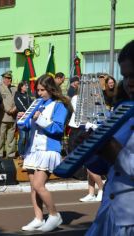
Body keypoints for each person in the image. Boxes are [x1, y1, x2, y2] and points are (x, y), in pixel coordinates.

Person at [85, 40, 134, 236]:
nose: (129, 82)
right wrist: (90, 149)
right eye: (126, 76)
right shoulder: (123, 112)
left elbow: (119, 158)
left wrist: (114, 153)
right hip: (111, 213)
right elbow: (103, 167)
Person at [20, 74, 71, 232]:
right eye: (38, 90)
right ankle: (38, 218)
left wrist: (40, 118)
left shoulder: (59, 105)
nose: (39, 93)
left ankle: (55, 215)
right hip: (33, 149)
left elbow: (58, 129)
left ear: (51, 89)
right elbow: (27, 127)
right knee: (33, 187)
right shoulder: (37, 103)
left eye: (42, 90)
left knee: (38, 184)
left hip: (48, 148)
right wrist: (22, 119)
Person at [67, 89, 103, 202]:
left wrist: (96, 99)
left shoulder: (94, 100)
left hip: (89, 131)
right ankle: (91, 193)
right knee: (87, 164)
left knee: (90, 164)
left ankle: (102, 189)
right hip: (79, 130)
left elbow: (98, 114)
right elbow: (79, 110)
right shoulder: (76, 98)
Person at [0, 71, 17, 159]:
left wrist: (14, 109)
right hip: (2, 116)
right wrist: (7, 110)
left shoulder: (14, 89)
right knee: (0, 137)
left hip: (13, 116)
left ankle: (10, 154)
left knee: (11, 137)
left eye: (9, 78)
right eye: (6, 78)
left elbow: (17, 100)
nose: (8, 80)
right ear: (3, 79)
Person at [14, 81, 33, 158]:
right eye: (25, 86)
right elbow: (20, 104)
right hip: (21, 117)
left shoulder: (28, 96)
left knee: (29, 137)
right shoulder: (17, 95)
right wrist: (27, 112)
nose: (27, 87)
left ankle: (26, 153)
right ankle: (21, 153)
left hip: (29, 118)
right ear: (21, 87)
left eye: (27, 86)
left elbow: (32, 105)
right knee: (23, 137)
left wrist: (29, 113)